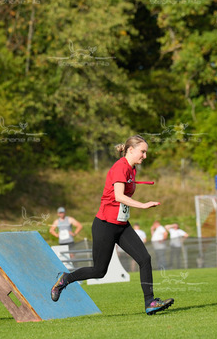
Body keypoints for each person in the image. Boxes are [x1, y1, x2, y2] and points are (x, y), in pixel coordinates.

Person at [50, 135, 173, 315]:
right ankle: (65, 279)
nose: (145, 156)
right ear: (131, 150)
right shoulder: (120, 167)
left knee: (144, 259)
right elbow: (119, 196)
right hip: (105, 225)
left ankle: (150, 302)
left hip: (121, 225)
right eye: (143, 152)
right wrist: (143, 205)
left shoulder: (132, 169)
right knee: (99, 271)